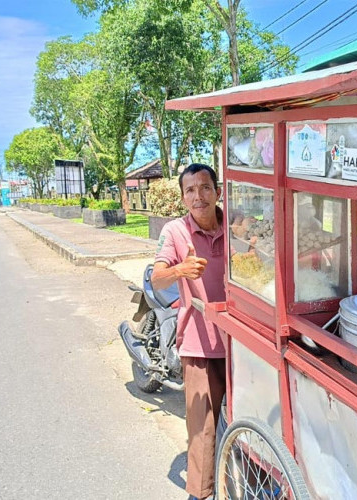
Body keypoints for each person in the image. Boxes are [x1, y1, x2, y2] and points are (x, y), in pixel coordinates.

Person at [151, 163, 225, 500]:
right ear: (183, 198)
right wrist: (181, 269)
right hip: (200, 342)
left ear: (217, 191)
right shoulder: (175, 232)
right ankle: (200, 492)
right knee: (202, 426)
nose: (199, 196)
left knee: (244, 415)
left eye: (205, 187)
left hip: (243, 341)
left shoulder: (237, 224)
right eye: (191, 190)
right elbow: (157, 277)